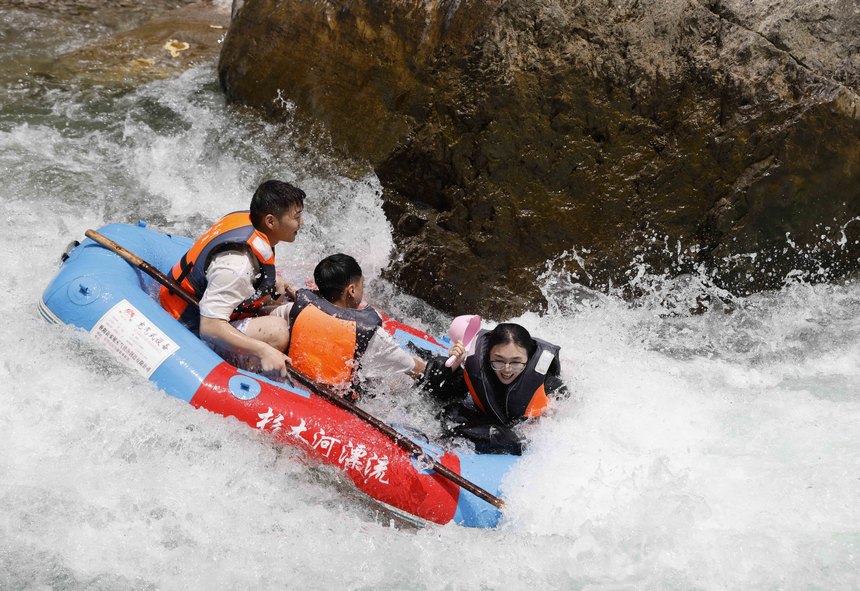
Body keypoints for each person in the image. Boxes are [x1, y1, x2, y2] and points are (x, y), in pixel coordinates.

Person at [160, 179, 305, 378]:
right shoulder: (237, 265)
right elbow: (210, 327)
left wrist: (281, 290)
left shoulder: (255, 225)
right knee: (277, 332)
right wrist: (263, 350)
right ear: (270, 221)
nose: (301, 223)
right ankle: (262, 378)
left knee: (295, 307)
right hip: (189, 322)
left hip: (217, 306)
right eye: (296, 217)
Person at [419, 323, 567, 455]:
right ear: (488, 355)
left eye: (516, 362)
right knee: (441, 372)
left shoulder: (547, 383)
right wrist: (452, 367)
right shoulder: (478, 369)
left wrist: (551, 413)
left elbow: (566, 412)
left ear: (528, 358)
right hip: (485, 417)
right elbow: (438, 395)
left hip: (518, 434)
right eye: (499, 361)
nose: (507, 370)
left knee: (503, 437)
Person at [287, 253, 426, 390]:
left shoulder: (294, 309)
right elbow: (417, 370)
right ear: (352, 290)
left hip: (295, 381)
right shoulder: (369, 334)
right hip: (336, 399)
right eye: (362, 285)